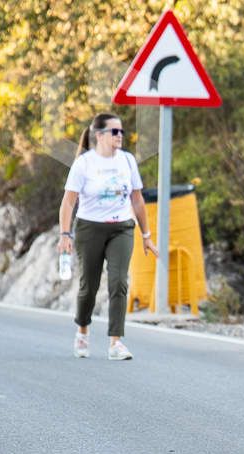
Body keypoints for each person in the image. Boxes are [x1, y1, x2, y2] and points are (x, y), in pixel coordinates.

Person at [57, 113, 158, 360]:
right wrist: (65, 234)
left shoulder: (127, 161)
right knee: (88, 287)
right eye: (115, 132)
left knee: (119, 282)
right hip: (89, 229)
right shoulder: (84, 163)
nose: (120, 136)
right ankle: (82, 329)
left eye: (122, 131)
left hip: (122, 228)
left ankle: (116, 342)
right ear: (99, 135)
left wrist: (146, 234)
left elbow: (137, 199)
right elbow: (68, 203)